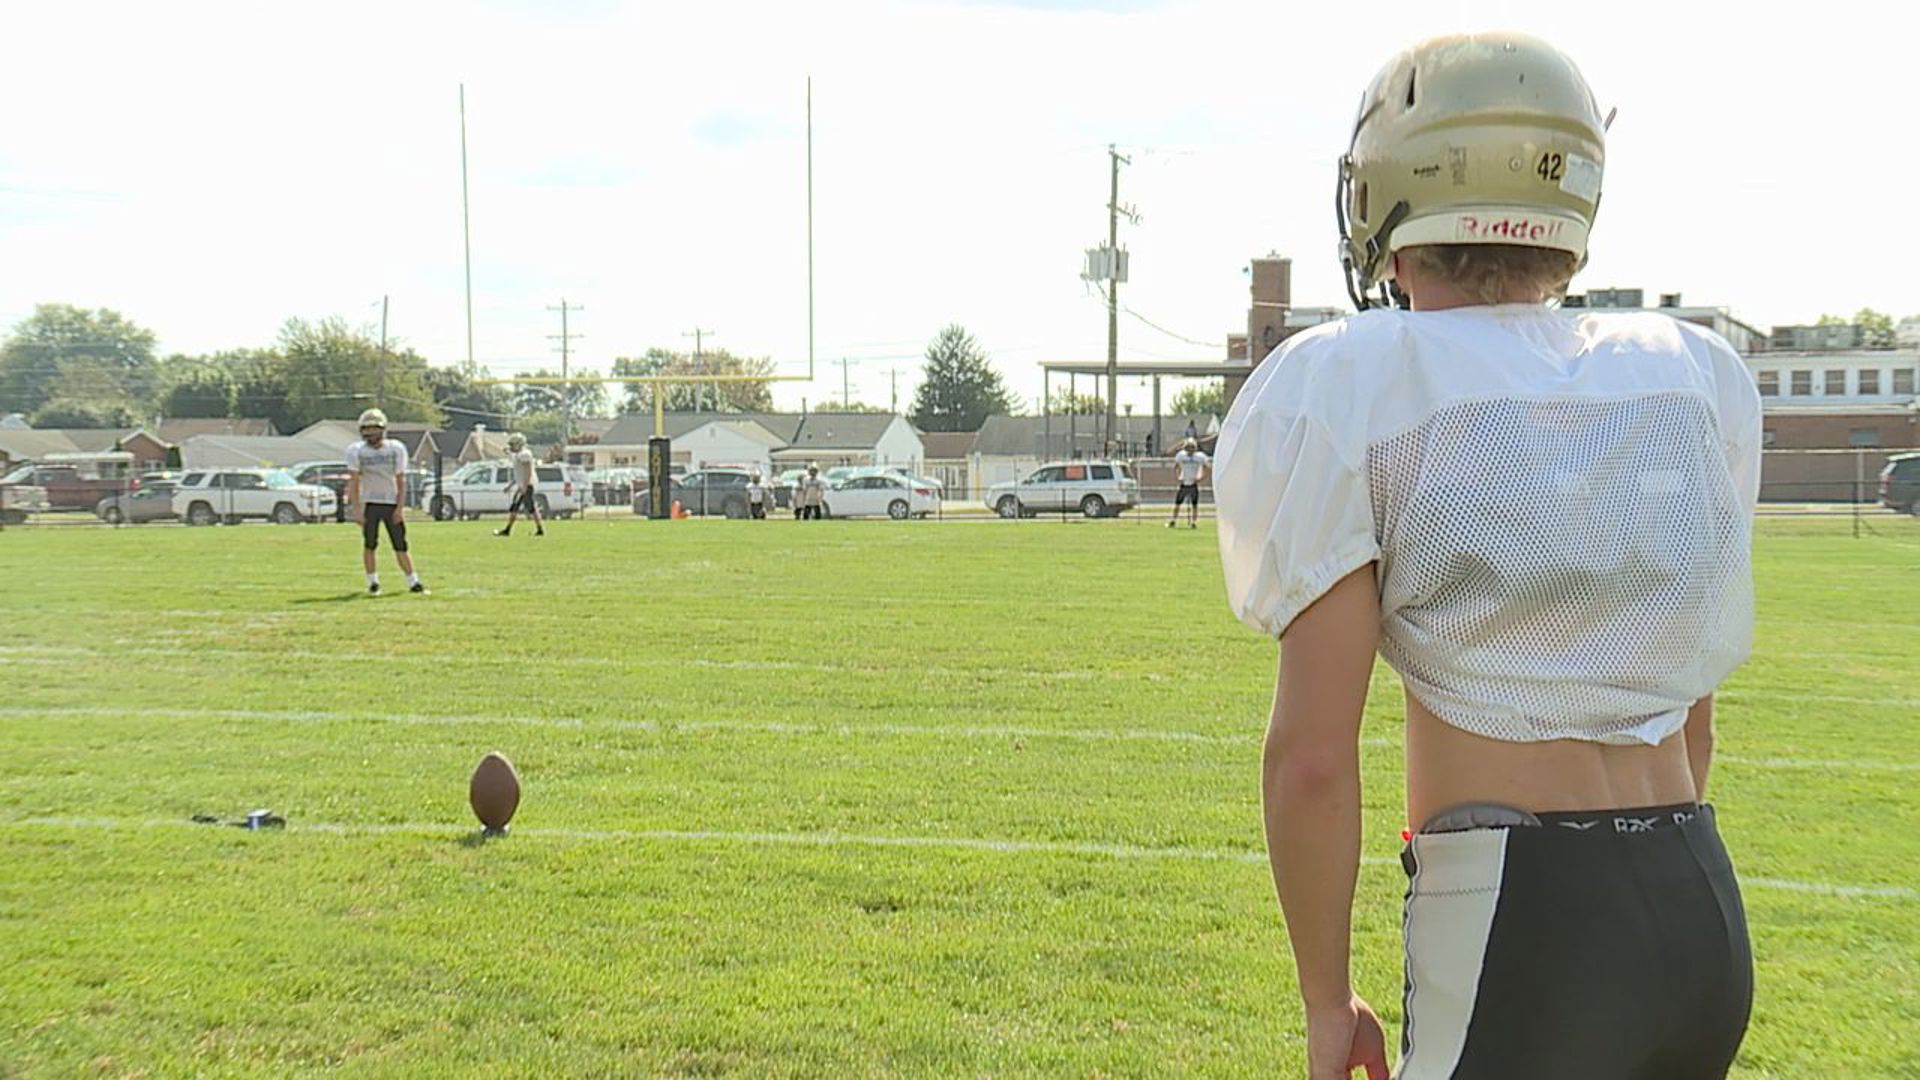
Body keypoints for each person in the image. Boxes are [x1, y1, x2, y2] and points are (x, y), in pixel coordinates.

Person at [1214, 33, 1758, 1080]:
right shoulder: (1687, 377)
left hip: (1522, 916)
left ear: (1388, 200)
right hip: (1697, 896)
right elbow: (1692, 714)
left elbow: (1314, 757)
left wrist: (1327, 1000)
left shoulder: (1357, 382)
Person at [345, 408, 427, 595]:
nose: (370, 433)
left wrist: (399, 507)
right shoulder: (356, 451)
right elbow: (354, 481)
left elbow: (400, 480)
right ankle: (373, 582)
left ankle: (413, 581)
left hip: (390, 502)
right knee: (370, 544)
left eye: (374, 429)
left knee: (400, 544)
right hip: (370, 503)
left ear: (382, 429)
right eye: (367, 429)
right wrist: (357, 509)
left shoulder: (395, 448)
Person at [494, 432, 544, 537]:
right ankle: (539, 529)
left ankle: (508, 530)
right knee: (528, 507)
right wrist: (511, 485)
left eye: (513, 444)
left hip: (527, 485)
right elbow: (518, 473)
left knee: (519, 507)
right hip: (523, 485)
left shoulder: (524, 454)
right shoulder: (518, 454)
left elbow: (528, 471)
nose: (511, 446)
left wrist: (525, 486)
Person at [1168, 436, 1208, 529]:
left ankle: (1193, 522)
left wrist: (1201, 477)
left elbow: (1207, 468)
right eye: (1188, 447)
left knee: (1194, 504)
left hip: (1193, 483)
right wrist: (1177, 477)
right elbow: (1176, 467)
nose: (1190, 449)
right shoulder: (1181, 455)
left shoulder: (1200, 457)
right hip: (1184, 483)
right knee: (1178, 503)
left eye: (1192, 447)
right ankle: (1173, 521)